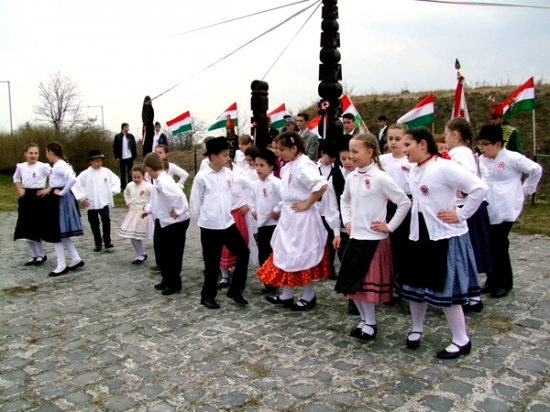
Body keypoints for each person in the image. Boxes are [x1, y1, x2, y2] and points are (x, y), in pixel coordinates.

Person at [394, 127, 488, 359]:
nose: (404, 150)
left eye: (408, 144)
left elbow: (479, 188)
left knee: (446, 289)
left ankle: (461, 339)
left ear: (423, 144)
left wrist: (461, 214)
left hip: (443, 236)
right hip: (419, 234)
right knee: (415, 284)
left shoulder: (444, 167)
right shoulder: (415, 169)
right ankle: (416, 328)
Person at [335, 133, 411, 341]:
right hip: (355, 237)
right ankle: (364, 319)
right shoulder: (352, 177)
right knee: (353, 284)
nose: (351, 156)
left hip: (373, 240)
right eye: (350, 151)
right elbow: (344, 200)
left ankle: (370, 323)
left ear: (369, 152)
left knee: (366, 285)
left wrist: (389, 226)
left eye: (355, 151)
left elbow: (404, 202)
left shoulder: (380, 178)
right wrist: (347, 220)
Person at [257, 131, 330, 311]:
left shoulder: (304, 165)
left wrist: (307, 203)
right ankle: (287, 293)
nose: (278, 153)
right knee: (286, 252)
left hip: (302, 218)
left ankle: (308, 295)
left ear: (294, 148)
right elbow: (287, 194)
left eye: (282, 149)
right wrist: (280, 209)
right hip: (289, 216)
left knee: (301, 253)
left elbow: (321, 185)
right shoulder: (288, 166)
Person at [477, 125, 542, 298]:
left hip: (506, 208)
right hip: (488, 208)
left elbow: (536, 169)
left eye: (486, 144)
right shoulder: (481, 160)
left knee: (499, 245)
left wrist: (526, 189)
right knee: (488, 245)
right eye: (480, 144)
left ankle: (505, 282)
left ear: (498, 144)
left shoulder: (513, 158)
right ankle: (492, 279)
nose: (482, 148)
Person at [190, 137, 250, 309]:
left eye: (228, 155)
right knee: (212, 263)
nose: (228, 158)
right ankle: (207, 296)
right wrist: (203, 220)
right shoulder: (202, 177)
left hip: (227, 223)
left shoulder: (229, 174)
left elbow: (245, 186)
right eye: (224, 155)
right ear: (213, 156)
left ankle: (235, 289)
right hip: (210, 226)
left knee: (243, 252)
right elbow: (194, 203)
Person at [445, 118, 491, 311]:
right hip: (470, 207)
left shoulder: (457, 154)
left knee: (461, 254)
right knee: (466, 253)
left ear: (455, 134)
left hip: (464, 209)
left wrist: (463, 191)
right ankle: (472, 296)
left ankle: (465, 296)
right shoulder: (468, 152)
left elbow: (469, 178)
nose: (446, 138)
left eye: (446, 134)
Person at [142, 153, 190, 295]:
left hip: (175, 222)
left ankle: (174, 282)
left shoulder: (165, 182)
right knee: (161, 249)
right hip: (163, 220)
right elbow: (155, 200)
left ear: (149, 169)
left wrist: (179, 210)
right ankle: (166, 277)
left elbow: (180, 197)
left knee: (173, 253)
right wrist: (148, 210)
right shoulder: (157, 182)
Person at [380, 124, 414, 305]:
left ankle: (406, 284)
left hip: (407, 206)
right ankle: (391, 286)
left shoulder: (410, 161)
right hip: (387, 206)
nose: (393, 142)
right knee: (390, 247)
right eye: (390, 138)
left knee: (405, 247)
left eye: (398, 139)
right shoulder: (382, 160)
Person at [42, 142, 85, 277]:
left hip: (59, 200)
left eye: (47, 152)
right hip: (58, 198)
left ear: (51, 152)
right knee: (62, 233)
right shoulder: (60, 164)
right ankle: (75, 258)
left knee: (56, 232)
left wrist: (62, 192)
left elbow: (72, 179)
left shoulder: (60, 165)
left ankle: (61, 264)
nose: (46, 155)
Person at [218, 157, 258, 289]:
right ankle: (224, 276)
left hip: (238, 214)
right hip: (223, 215)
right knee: (222, 246)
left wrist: (249, 204)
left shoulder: (239, 178)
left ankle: (238, 275)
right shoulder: (217, 180)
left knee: (239, 246)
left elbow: (255, 188)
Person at [72, 150, 121, 252]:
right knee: (94, 223)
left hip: (104, 201)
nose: (99, 163)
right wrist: (82, 198)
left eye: (100, 161)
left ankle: (107, 241)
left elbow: (116, 181)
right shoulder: (85, 174)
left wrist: (110, 192)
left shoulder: (106, 172)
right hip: (91, 202)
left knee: (106, 219)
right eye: (97, 161)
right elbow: (76, 185)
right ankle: (98, 242)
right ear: (91, 161)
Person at [13, 142, 51, 266]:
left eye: (36, 153)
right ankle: (34, 254)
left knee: (35, 227)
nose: (33, 155)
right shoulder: (21, 166)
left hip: (38, 197)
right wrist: (20, 189)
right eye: (31, 153)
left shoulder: (43, 166)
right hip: (26, 197)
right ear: (25, 154)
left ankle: (42, 254)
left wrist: (47, 189)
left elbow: (54, 177)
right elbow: (16, 178)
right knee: (26, 227)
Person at [251, 149, 282, 294]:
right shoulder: (255, 185)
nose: (258, 169)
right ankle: (268, 282)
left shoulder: (276, 183)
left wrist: (276, 210)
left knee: (274, 254)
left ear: (271, 167)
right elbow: (251, 200)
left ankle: (275, 280)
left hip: (274, 225)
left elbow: (285, 200)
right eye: (256, 165)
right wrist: (253, 210)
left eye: (262, 165)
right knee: (263, 255)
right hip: (262, 225)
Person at [317, 139, 342, 280]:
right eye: (329, 156)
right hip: (316, 208)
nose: (332, 159)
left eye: (334, 157)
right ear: (322, 153)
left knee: (331, 238)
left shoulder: (338, 168)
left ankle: (330, 268)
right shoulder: (313, 168)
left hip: (331, 209)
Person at [119, 164, 152, 264]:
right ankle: (140, 253)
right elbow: (126, 193)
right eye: (134, 177)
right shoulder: (130, 185)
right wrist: (128, 203)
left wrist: (149, 207)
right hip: (133, 213)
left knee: (137, 235)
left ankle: (141, 254)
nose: (136, 179)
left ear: (143, 176)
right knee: (132, 235)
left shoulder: (148, 186)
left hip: (143, 214)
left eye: (138, 177)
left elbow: (154, 197)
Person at [113, 123, 137, 189]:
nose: (128, 129)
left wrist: (134, 155)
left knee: (130, 171)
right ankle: (123, 186)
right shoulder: (117, 136)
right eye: (127, 127)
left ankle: (130, 184)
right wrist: (116, 156)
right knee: (122, 172)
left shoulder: (130, 136)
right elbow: (115, 147)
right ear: (123, 127)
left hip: (129, 156)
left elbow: (134, 146)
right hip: (122, 157)